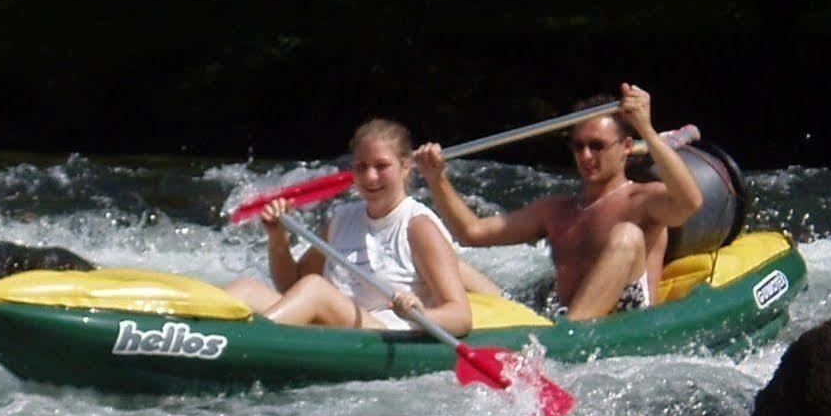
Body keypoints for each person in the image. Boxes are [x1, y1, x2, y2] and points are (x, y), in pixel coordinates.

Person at [412, 82, 704, 320]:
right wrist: (436, 179)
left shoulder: (643, 200)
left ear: (626, 147)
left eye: (597, 146)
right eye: (579, 146)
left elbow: (690, 203)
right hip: (555, 319)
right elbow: (471, 233)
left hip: (620, 324)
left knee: (626, 235)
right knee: (453, 265)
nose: (586, 156)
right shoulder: (558, 210)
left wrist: (646, 130)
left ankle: (564, 337)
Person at [226, 118, 475, 335]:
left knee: (315, 289)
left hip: (384, 332)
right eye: (361, 167)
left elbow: (460, 317)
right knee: (246, 288)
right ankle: (200, 334)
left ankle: (244, 340)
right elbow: (292, 286)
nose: (370, 177)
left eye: (381, 166)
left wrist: (419, 313)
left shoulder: (419, 226)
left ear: (405, 167)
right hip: (337, 325)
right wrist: (277, 238)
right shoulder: (342, 218)